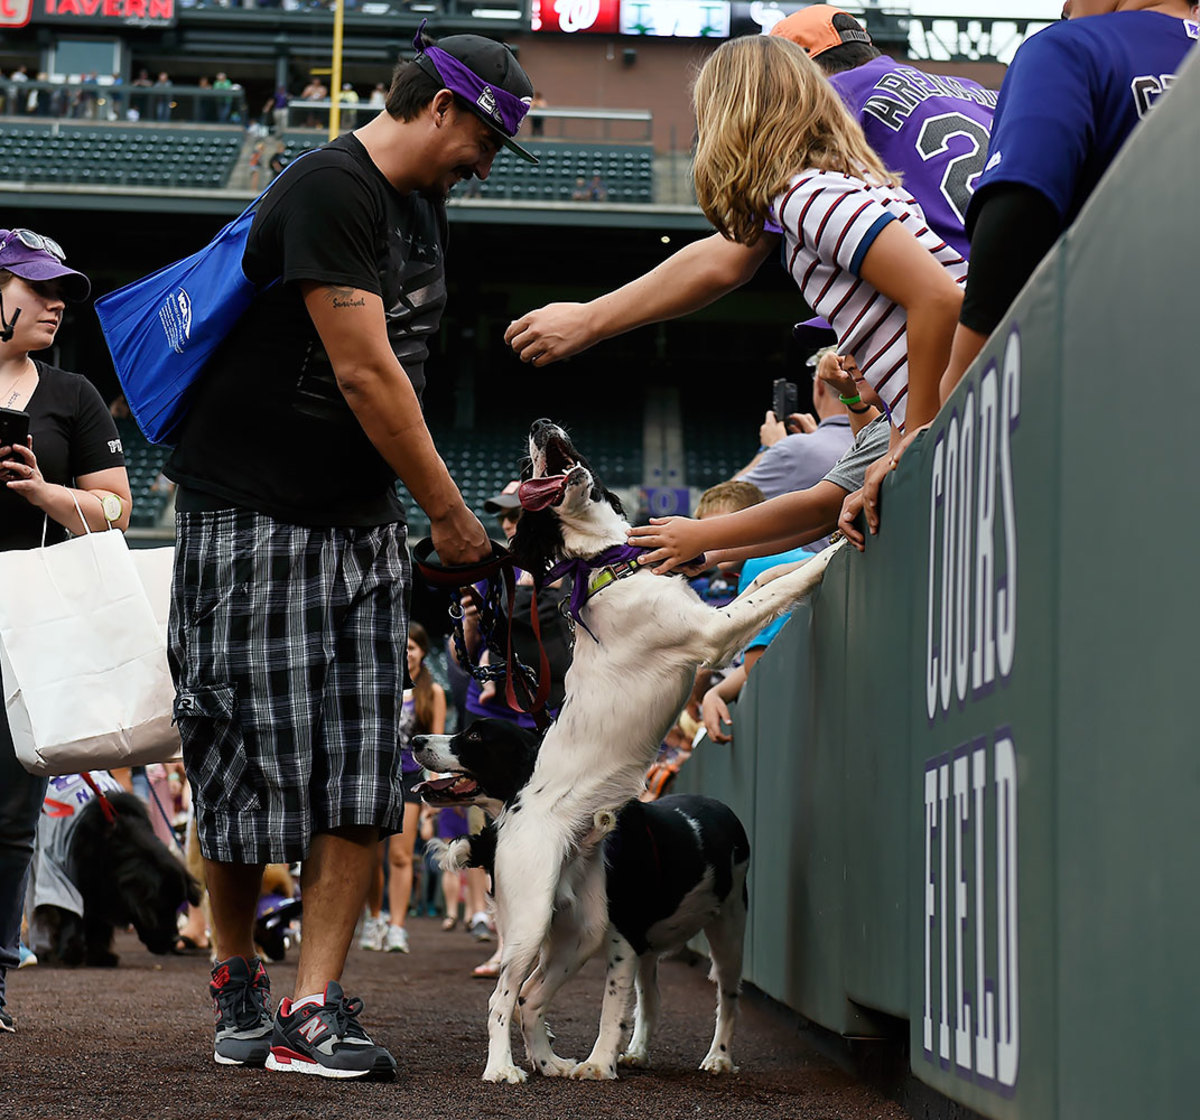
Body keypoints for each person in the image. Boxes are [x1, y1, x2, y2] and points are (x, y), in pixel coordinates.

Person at [161, 29, 536, 1080]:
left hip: (358, 523)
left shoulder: (423, 200)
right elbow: (369, 374)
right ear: (441, 107)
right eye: (488, 138)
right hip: (251, 512)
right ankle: (237, 969)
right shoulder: (330, 186)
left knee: (366, 770)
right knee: (239, 763)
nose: (487, 162)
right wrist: (455, 520)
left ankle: (312, 1006)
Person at [504, 5, 994, 368]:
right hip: (1034, 293)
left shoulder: (825, 107)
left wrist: (591, 318)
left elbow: (730, 258)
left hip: (961, 330)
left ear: (791, 76)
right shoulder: (979, 92)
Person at [0, 229, 131, 1033]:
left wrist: (47, 495)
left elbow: (114, 510)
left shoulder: (72, 394)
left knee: (12, 817)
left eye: (63, 293)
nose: (55, 304)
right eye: (38, 286)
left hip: (29, 616)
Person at [359, 622, 446, 954]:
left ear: (422, 651)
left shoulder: (432, 692)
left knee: (400, 855)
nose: (406, 652)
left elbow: (435, 743)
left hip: (410, 778)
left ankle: (397, 927)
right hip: (377, 775)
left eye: (412, 647)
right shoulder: (380, 682)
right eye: (402, 646)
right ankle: (374, 917)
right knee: (371, 855)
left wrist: (433, 791)